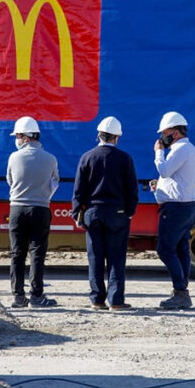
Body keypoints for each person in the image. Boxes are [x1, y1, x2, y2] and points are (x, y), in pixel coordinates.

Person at [72, 116, 139, 311]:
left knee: (95, 257)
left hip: (93, 213)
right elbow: (132, 190)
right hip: (117, 213)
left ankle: (97, 300)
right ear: (116, 137)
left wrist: (77, 212)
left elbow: (78, 190)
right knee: (116, 258)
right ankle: (116, 301)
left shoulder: (87, 157)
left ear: (98, 135)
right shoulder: (125, 159)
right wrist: (129, 212)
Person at [6, 116, 60, 308]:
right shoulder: (50, 159)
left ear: (25, 137)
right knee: (37, 253)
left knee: (17, 253)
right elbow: (55, 183)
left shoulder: (14, 157)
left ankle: (18, 297)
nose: (17, 140)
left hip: (17, 209)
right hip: (41, 209)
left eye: (18, 136)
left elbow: (10, 181)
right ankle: (37, 296)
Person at [151, 111, 195, 309]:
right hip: (185, 206)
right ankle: (181, 290)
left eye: (165, 132)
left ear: (176, 132)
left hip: (176, 208)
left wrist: (158, 151)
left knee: (165, 249)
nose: (162, 137)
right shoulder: (190, 150)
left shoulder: (180, 149)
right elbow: (175, 178)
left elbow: (164, 170)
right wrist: (160, 188)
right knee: (181, 250)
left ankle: (181, 291)